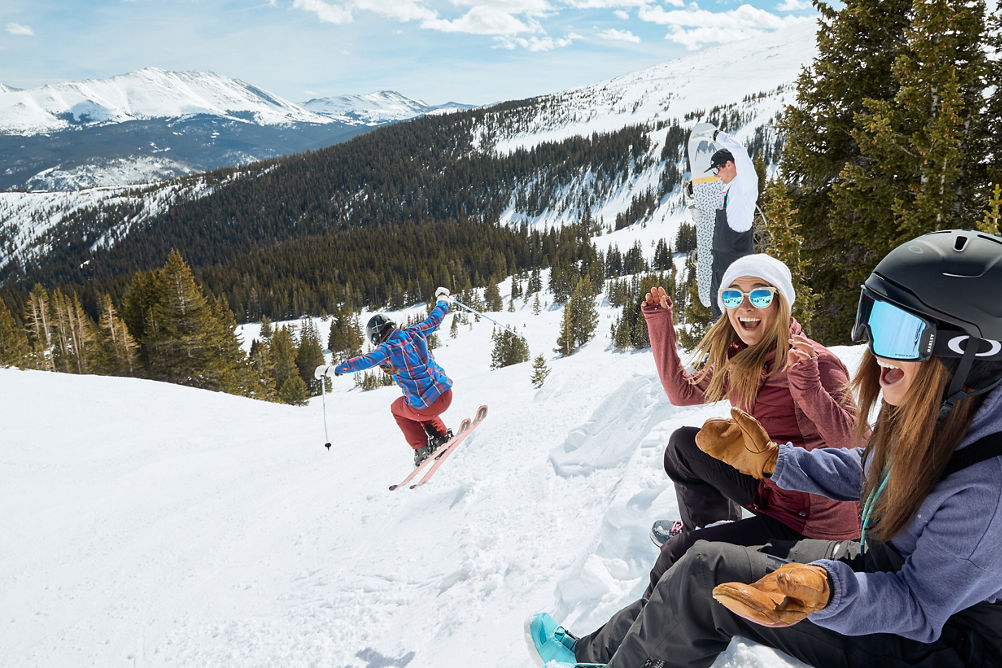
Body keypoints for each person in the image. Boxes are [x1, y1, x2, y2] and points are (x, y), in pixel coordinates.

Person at [528, 229, 1002, 667]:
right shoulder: (944, 412)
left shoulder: (986, 485)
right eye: (872, 321)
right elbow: (870, 464)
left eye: (898, 332)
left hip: (938, 640)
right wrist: (774, 460)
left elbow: (919, 605)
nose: (874, 349)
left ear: (970, 350)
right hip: (852, 547)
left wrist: (827, 589)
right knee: (687, 476)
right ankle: (595, 651)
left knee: (699, 566)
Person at [530, 253, 864, 664]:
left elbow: (854, 443)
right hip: (770, 491)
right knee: (685, 446)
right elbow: (682, 393)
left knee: (680, 554)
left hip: (812, 526)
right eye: (733, 295)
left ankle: (599, 649)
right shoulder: (740, 355)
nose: (745, 306)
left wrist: (809, 387)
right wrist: (660, 325)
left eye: (760, 295)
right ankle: (712, 531)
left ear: (781, 303)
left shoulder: (814, 362)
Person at [334, 286, 456, 466]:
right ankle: (441, 437)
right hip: (446, 394)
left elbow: (364, 361)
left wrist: (335, 370)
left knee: (398, 408)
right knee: (416, 401)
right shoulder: (415, 331)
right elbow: (435, 319)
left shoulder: (387, 349)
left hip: (426, 407)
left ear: (375, 338)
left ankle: (422, 448)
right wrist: (443, 299)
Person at [707, 132, 757, 318]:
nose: (716, 175)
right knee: (718, 316)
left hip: (737, 268)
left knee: (735, 316)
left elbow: (740, 152)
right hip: (720, 266)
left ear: (729, 164)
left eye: (717, 170)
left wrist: (717, 135)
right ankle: (720, 348)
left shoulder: (745, 185)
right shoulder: (728, 189)